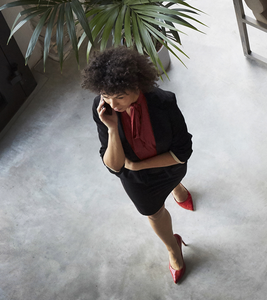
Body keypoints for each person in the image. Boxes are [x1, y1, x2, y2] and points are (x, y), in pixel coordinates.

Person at [82, 47, 194, 284]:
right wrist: (112, 128)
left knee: (174, 173)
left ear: (137, 87)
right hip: (140, 183)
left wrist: (138, 166)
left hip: (169, 168)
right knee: (154, 213)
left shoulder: (164, 102)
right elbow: (114, 166)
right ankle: (174, 248)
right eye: (106, 94)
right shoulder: (102, 108)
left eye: (120, 96)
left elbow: (182, 152)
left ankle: (177, 188)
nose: (113, 103)